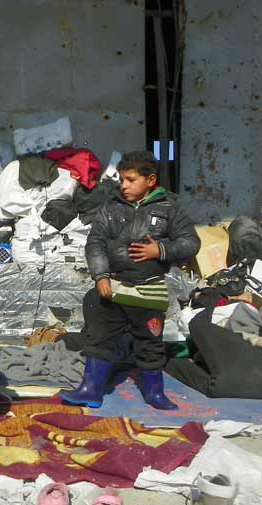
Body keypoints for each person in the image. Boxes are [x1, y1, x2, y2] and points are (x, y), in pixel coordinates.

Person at [61, 151, 201, 410]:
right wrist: (101, 276)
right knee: (99, 337)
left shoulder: (170, 208)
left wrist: (159, 250)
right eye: (122, 179)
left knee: (150, 342)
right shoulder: (110, 206)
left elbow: (191, 242)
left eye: (130, 180)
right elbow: (96, 243)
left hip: (149, 288)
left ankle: (155, 394)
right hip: (113, 286)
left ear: (150, 180)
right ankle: (91, 390)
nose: (123, 185)